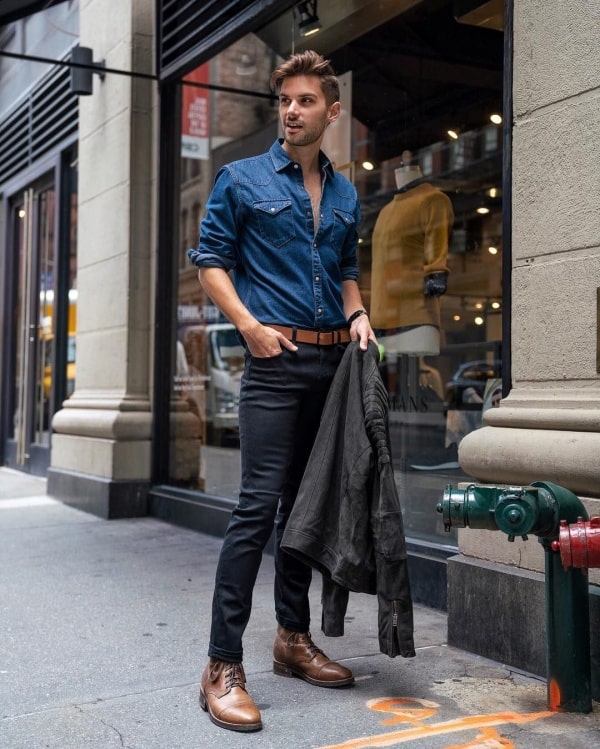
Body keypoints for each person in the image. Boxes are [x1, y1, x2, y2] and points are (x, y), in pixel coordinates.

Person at [187, 50, 376, 733]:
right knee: (256, 506)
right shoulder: (241, 179)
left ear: (332, 110)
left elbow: (346, 266)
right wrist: (248, 326)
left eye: (304, 101)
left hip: (331, 365)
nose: (292, 110)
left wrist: (357, 313)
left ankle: (292, 638)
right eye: (285, 101)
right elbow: (210, 260)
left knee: (305, 508)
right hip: (275, 360)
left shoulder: (347, 191)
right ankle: (220, 663)